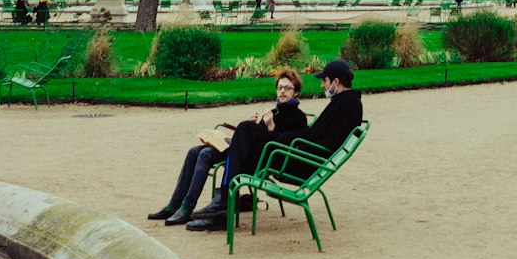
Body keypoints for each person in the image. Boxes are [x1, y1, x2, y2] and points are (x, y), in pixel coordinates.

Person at [186, 59, 363, 231]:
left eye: (324, 81)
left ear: (336, 81)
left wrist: (291, 143)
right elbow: (315, 134)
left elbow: (327, 141)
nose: (322, 85)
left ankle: (224, 202)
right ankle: (223, 205)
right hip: (299, 153)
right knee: (247, 132)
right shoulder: (344, 102)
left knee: (246, 133)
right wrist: (282, 137)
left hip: (301, 160)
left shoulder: (348, 104)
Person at [148, 67, 308, 227]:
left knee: (206, 154)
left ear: (296, 92)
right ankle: (175, 205)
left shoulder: (298, 117)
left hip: (256, 159)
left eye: (287, 88)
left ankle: (190, 208)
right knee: (194, 152)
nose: (282, 91)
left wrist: (270, 127)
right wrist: (254, 124)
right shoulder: (274, 111)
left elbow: (283, 144)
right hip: (244, 151)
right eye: (280, 87)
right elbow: (256, 136)